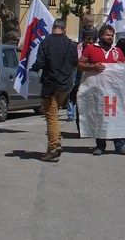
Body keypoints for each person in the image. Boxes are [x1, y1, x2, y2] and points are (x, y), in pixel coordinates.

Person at [78, 24, 125, 156]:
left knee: (116, 117)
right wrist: (92, 67)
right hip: (97, 91)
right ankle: (100, 145)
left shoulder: (117, 51)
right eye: (107, 35)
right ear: (101, 36)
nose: (110, 37)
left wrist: (123, 66)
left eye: (112, 35)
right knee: (99, 117)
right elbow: (79, 64)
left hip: (114, 93)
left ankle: (119, 145)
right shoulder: (91, 49)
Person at [30, 19, 79, 163]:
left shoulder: (46, 42)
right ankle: (57, 143)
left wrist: (34, 67)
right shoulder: (71, 44)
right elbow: (74, 63)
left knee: (51, 118)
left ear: (53, 28)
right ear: (64, 29)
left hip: (50, 85)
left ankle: (52, 148)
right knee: (55, 115)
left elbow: (40, 62)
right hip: (65, 85)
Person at [67, 35, 94, 123]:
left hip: (89, 79)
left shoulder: (94, 51)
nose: (88, 44)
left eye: (90, 43)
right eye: (87, 42)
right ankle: (71, 114)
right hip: (77, 76)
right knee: (73, 94)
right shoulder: (79, 49)